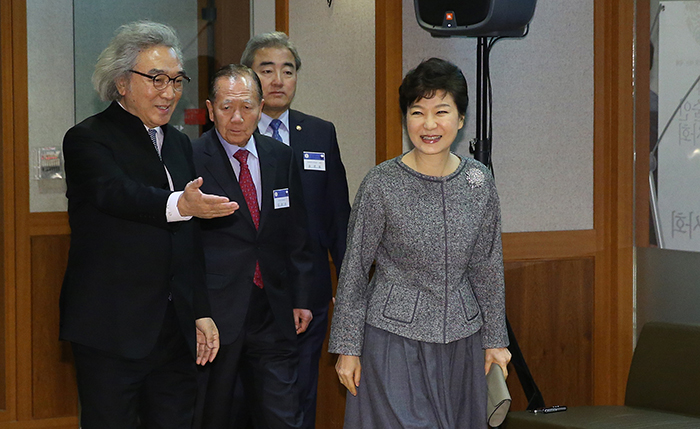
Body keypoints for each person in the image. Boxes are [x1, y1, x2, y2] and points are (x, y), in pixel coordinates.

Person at [60, 21, 238, 429]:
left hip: (173, 330)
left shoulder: (177, 143)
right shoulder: (88, 138)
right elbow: (117, 194)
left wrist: (200, 311)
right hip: (112, 328)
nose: (169, 92)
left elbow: (188, 241)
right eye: (156, 79)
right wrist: (180, 203)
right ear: (122, 82)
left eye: (176, 80)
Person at [329, 57, 512, 428]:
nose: (429, 124)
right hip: (394, 340)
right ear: (406, 119)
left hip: (462, 338)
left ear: (460, 120)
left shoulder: (479, 181)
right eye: (417, 112)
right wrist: (348, 347)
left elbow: (487, 266)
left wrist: (495, 338)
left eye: (441, 111)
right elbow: (354, 270)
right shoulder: (381, 183)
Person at [192, 64, 315, 429]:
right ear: (210, 109)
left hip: (272, 309)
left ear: (261, 108)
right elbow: (185, 247)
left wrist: (302, 296)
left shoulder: (281, 156)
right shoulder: (192, 157)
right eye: (227, 107)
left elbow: (296, 232)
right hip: (217, 313)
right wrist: (195, 310)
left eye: (246, 107)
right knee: (214, 414)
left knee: (282, 414)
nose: (236, 117)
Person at [241, 32, 351, 429]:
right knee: (250, 395)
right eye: (266, 70)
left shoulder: (319, 133)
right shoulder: (233, 136)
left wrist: (351, 287)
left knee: (302, 390)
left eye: (287, 71)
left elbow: (339, 215)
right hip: (251, 290)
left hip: (310, 286)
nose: (278, 80)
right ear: (249, 77)